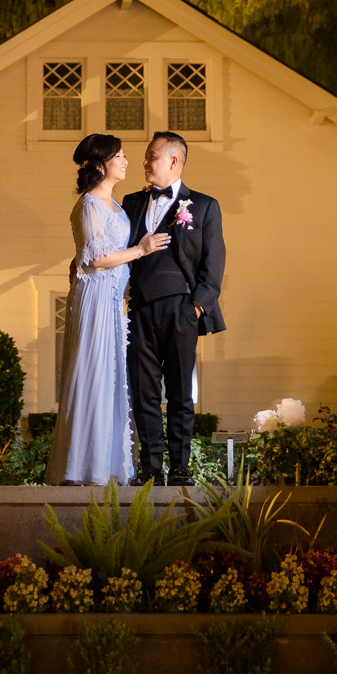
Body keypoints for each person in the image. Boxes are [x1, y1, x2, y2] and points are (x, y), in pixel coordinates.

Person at [46, 133, 169, 485]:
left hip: (114, 301)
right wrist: (141, 250)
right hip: (95, 299)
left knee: (113, 378)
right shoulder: (89, 204)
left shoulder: (114, 205)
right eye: (119, 156)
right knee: (94, 373)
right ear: (101, 165)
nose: (126, 160)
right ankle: (83, 468)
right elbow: (98, 258)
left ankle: (110, 465)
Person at [123, 131, 226, 486]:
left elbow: (213, 265)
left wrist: (197, 307)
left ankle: (180, 468)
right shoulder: (131, 201)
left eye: (151, 156)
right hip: (140, 310)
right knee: (143, 390)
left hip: (182, 307)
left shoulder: (204, 205)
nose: (145, 162)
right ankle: (150, 467)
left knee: (182, 392)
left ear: (173, 161)